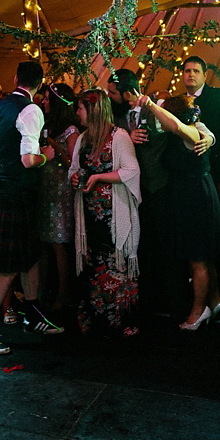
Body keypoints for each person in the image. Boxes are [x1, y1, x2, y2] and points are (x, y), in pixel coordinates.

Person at [0, 60, 60, 355]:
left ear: (15, 78)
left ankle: (33, 315)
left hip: (2, 189)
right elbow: (29, 160)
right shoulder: (32, 110)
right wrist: (47, 155)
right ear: (40, 83)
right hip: (20, 192)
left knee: (29, 257)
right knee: (9, 264)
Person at [136, 92, 220, 329]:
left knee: (198, 258)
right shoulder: (188, 132)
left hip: (196, 196)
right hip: (187, 195)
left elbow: (175, 125)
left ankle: (198, 311)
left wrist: (151, 105)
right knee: (202, 255)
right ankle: (216, 300)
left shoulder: (191, 132)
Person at [69, 89, 141, 335]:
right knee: (93, 263)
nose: (77, 112)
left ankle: (120, 321)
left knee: (115, 262)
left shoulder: (119, 137)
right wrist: (76, 176)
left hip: (114, 214)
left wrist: (98, 176)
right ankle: (96, 319)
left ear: (93, 110)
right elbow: (73, 169)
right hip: (89, 214)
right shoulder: (83, 138)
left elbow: (131, 170)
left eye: (80, 108)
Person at [37, 83, 80, 311]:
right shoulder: (47, 124)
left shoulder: (71, 129)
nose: (43, 102)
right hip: (46, 188)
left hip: (61, 189)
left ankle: (64, 293)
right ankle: (43, 291)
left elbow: (74, 163)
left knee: (59, 243)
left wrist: (54, 147)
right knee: (45, 242)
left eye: (46, 99)